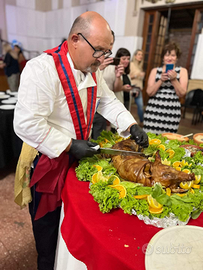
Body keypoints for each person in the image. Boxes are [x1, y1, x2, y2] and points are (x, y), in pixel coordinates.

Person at [14, 11, 148, 270]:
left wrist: (131, 125)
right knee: (48, 233)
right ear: (75, 39)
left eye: (106, 52)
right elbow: (26, 123)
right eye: (99, 50)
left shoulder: (92, 69)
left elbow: (108, 101)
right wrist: (67, 144)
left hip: (78, 157)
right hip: (48, 162)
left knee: (73, 222)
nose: (102, 59)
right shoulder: (41, 69)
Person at [143, 42, 188, 134]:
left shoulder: (182, 71)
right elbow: (149, 92)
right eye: (167, 55)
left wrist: (174, 80)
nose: (169, 58)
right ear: (163, 57)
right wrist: (160, 80)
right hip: (153, 111)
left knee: (168, 142)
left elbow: (182, 93)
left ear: (177, 57)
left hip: (172, 113)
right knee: (149, 139)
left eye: (173, 55)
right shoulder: (155, 71)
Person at [91, 31, 124, 139]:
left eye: (111, 44)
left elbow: (113, 91)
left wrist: (118, 76)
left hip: (102, 107)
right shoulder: (90, 62)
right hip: (88, 108)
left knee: (98, 140)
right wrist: (98, 69)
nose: (108, 47)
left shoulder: (112, 65)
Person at [130, 49, 145, 127]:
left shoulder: (140, 66)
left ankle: (141, 122)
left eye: (141, 55)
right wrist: (137, 75)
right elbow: (129, 76)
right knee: (128, 106)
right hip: (131, 88)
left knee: (140, 106)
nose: (140, 56)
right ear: (135, 56)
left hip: (138, 89)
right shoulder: (131, 64)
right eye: (139, 54)